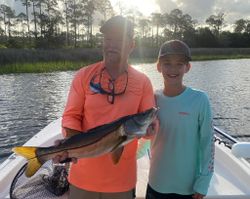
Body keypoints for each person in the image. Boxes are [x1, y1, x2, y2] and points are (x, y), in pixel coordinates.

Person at [54, 16, 156, 199]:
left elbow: (149, 122)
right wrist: (70, 144)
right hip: (82, 177)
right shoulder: (84, 76)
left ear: (131, 45)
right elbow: (71, 116)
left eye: (118, 40)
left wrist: (151, 129)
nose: (111, 45)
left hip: (122, 181)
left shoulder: (143, 82)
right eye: (108, 39)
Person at [146, 40, 214, 199]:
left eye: (179, 64)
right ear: (158, 66)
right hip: (156, 183)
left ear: (187, 67)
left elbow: (208, 143)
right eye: (167, 63)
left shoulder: (200, 99)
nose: (173, 69)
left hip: (188, 188)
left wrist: (204, 181)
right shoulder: (152, 98)